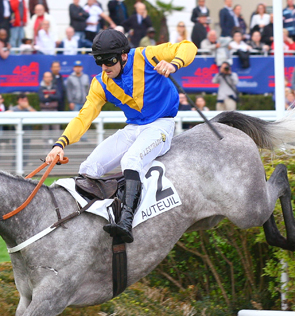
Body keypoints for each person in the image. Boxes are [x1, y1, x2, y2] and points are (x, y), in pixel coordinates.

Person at [45, 29, 198, 243]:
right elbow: (84, 117)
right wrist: (60, 144)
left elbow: (188, 46)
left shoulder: (147, 55)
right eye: (100, 63)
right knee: (88, 168)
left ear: (123, 56)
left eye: (109, 62)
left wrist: (175, 63)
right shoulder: (100, 83)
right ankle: (93, 221)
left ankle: (126, 221)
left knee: (131, 160)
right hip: (133, 127)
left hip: (161, 125)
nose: (105, 68)